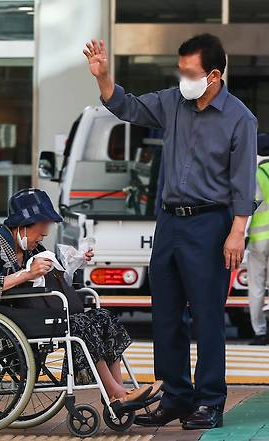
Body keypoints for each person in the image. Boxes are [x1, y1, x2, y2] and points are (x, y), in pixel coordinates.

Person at [84, 34, 257, 429]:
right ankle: (177, 397)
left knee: (208, 315)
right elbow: (126, 106)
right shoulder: (172, 103)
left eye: (190, 72)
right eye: (180, 70)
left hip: (211, 224)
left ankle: (210, 401)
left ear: (213, 75)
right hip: (168, 222)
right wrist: (104, 77)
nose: (182, 78)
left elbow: (243, 180)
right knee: (165, 313)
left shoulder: (240, 119)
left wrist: (237, 231)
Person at [0, 188, 161, 408]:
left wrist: (74, 263)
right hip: (7, 316)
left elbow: (53, 285)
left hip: (34, 311)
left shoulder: (35, 250)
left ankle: (120, 391)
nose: (42, 238)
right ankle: (116, 393)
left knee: (103, 317)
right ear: (23, 225)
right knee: (79, 325)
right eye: (40, 232)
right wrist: (27, 274)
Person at [247, 133, 269, 345]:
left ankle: (260, 332)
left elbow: (249, 207)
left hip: (259, 237)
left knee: (256, 286)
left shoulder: (254, 174)